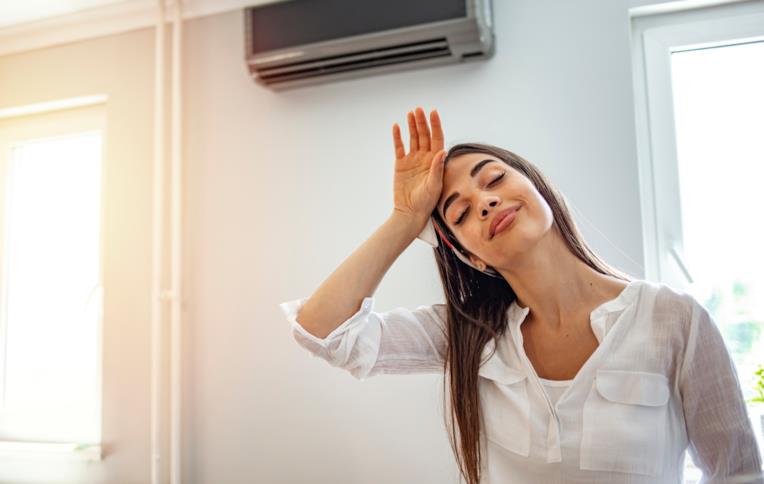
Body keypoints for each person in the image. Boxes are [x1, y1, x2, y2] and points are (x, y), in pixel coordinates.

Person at [278, 107, 763, 484]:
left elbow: (738, 473)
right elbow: (323, 330)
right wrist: (406, 218)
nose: (485, 201)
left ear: (538, 189)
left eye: (493, 180)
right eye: (460, 213)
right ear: (471, 257)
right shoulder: (470, 334)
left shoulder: (674, 319)